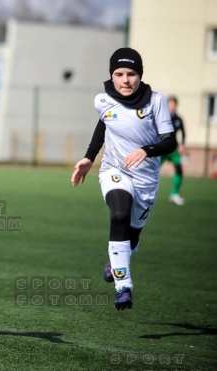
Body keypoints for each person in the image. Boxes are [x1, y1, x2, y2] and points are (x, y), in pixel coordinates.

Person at [71, 47, 177, 311]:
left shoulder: (156, 101)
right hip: (113, 170)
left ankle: (115, 263)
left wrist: (146, 150)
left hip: (146, 180)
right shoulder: (102, 100)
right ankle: (124, 287)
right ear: (112, 75)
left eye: (131, 74)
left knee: (132, 237)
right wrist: (89, 158)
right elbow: (105, 123)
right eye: (119, 74)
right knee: (119, 214)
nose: (125, 80)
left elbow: (171, 142)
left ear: (140, 75)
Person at [160, 96, 186, 205]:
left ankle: (174, 194)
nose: (172, 106)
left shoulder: (178, 119)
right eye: (170, 103)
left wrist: (183, 144)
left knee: (179, 169)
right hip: (160, 148)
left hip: (173, 149)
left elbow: (183, 133)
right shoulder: (161, 116)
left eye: (174, 104)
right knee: (152, 170)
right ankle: (144, 192)